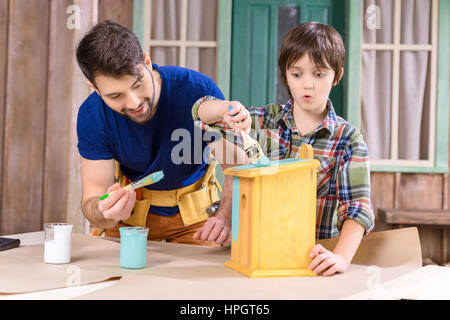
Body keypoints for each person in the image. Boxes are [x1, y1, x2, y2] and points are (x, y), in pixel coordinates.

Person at [192, 21, 375, 275]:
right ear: (285, 74)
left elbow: (358, 208)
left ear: (337, 76)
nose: (307, 85)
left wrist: (340, 258)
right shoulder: (262, 121)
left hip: (311, 263)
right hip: (261, 259)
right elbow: (200, 114)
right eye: (297, 74)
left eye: (319, 74)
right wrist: (226, 109)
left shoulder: (348, 140)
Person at [75, 20, 233, 246]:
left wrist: (225, 217)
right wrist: (105, 212)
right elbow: (93, 199)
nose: (134, 102)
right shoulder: (92, 115)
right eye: (115, 96)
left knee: (207, 279)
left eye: (138, 84)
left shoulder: (199, 91)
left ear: (147, 62)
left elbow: (234, 167)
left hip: (200, 220)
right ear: (94, 88)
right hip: (129, 222)